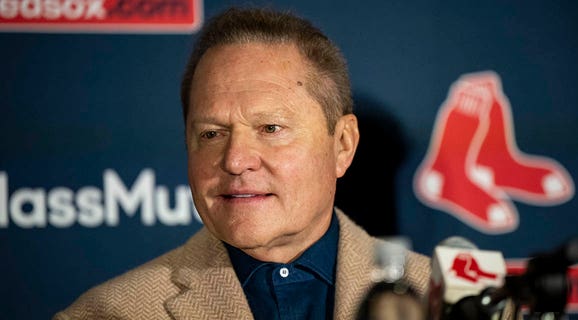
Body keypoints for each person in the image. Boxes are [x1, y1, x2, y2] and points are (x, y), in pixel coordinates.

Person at [55, 7, 514, 320]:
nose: (234, 160)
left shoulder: (457, 305)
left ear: (343, 145)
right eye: (211, 134)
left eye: (271, 129)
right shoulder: (110, 313)